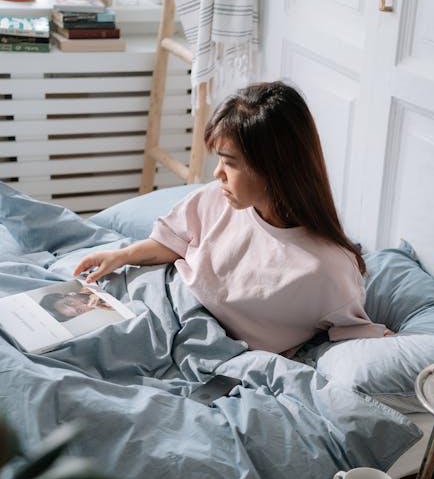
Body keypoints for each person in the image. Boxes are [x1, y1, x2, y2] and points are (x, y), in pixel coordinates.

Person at [73, 81, 389, 355]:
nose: (217, 173)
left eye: (230, 163)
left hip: (195, 339)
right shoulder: (215, 198)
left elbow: (357, 331)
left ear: (275, 169)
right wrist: (121, 256)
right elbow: (172, 241)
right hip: (157, 294)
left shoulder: (326, 271)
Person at [39, 287, 114, 323]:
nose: (82, 305)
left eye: (70, 303)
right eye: (80, 310)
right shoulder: (111, 309)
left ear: (69, 295)